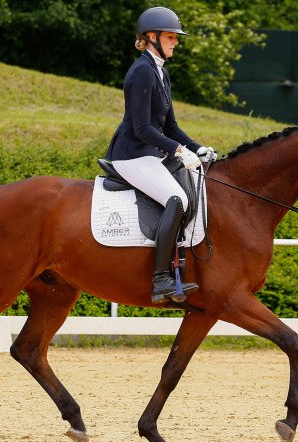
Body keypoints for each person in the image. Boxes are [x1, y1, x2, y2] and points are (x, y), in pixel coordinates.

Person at [105, 6, 215, 304]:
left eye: (175, 37)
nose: (176, 42)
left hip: (149, 153)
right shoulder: (141, 71)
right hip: (131, 154)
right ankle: (160, 280)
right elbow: (142, 128)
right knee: (176, 199)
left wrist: (197, 148)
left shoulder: (160, 72)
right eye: (170, 37)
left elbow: (170, 126)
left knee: (188, 192)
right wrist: (179, 151)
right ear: (151, 37)